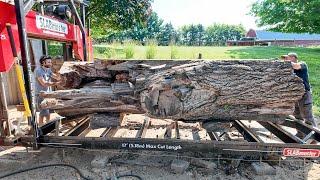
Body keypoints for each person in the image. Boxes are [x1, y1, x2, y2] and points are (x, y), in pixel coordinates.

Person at [282, 52, 317, 128]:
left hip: (305, 94)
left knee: (308, 116)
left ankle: (314, 138)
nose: (286, 59)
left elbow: (296, 66)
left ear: (294, 58)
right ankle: (300, 134)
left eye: (288, 58)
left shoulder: (302, 64)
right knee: (297, 115)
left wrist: (288, 62)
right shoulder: (289, 69)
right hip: (295, 95)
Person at [34, 55, 61, 125]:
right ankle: (41, 125)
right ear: (43, 62)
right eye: (49, 62)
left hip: (47, 94)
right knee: (43, 111)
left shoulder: (48, 70)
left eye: (50, 62)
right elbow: (44, 83)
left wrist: (60, 73)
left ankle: (47, 125)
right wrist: (56, 83)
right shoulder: (38, 71)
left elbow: (57, 77)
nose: (50, 64)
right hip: (40, 94)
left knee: (47, 111)